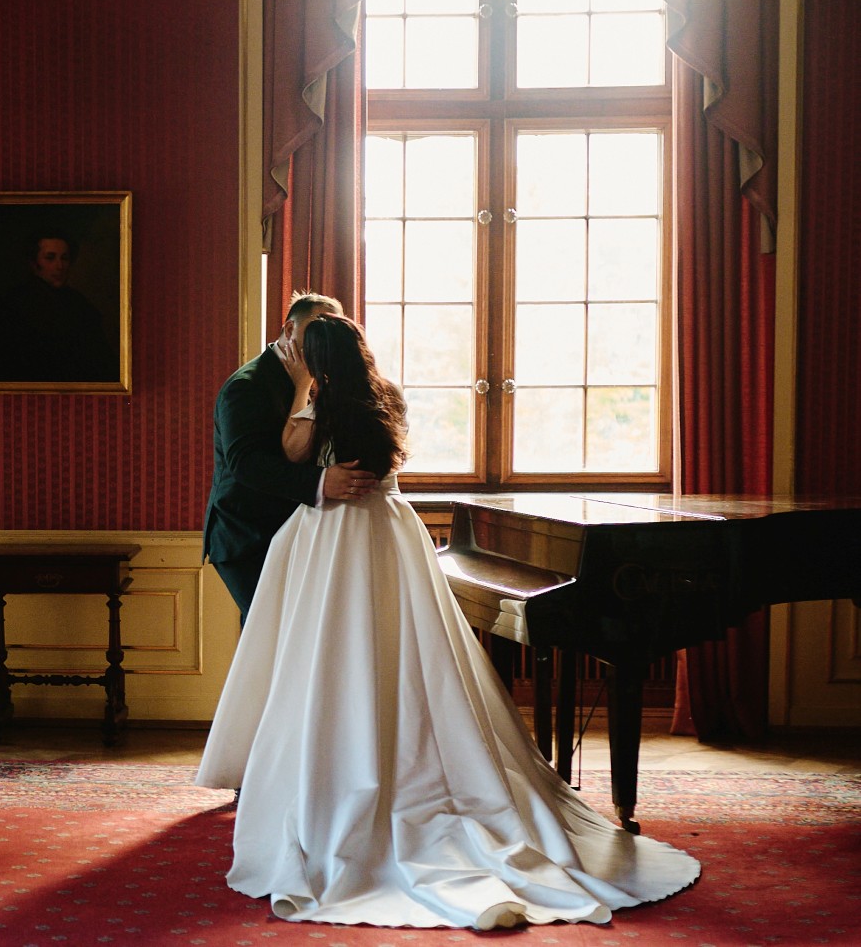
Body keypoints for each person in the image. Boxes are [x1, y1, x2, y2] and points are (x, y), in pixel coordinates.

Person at [197, 315, 700, 931]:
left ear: (318, 359)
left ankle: (337, 767)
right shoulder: (386, 398)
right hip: (391, 530)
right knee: (403, 651)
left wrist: (304, 389)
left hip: (336, 538)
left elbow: (289, 456)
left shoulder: (316, 408)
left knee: (329, 654)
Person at [201, 292, 378, 623]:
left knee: (291, 633)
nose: (321, 338)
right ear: (289, 329)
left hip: (296, 531)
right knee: (269, 630)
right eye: (315, 327)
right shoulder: (246, 386)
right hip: (247, 536)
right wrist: (322, 482)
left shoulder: (320, 377)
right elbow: (245, 463)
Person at [0, 232, 119, 383]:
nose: (60, 266)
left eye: (64, 258)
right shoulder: (9, 305)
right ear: (34, 263)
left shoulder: (80, 305)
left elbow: (101, 361)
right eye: (50, 258)